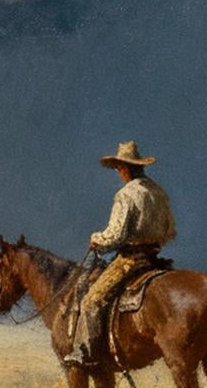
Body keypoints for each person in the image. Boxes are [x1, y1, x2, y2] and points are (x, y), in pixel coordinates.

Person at [73, 139, 177, 369]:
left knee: (91, 301)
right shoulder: (159, 193)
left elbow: (116, 236)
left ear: (125, 168)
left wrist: (96, 239)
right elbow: (170, 230)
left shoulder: (126, 195)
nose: (118, 173)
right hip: (155, 259)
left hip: (131, 260)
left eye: (118, 168)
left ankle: (86, 353)